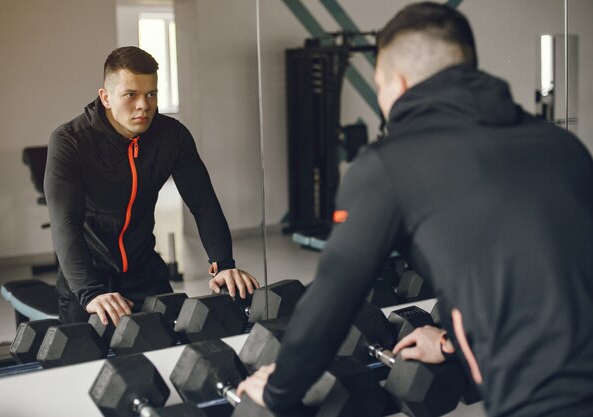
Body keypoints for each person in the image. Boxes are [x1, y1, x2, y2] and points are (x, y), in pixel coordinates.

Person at [237, 2, 593, 417]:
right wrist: (451, 343)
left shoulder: (390, 164)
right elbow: (544, 283)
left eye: (379, 87)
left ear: (397, 83)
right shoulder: (562, 147)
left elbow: (333, 300)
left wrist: (278, 389)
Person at [44, 46, 259, 326]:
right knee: (89, 363)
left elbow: (203, 202)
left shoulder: (172, 136)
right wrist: (90, 292)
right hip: (88, 277)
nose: (143, 105)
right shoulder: (71, 141)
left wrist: (224, 263)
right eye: (130, 95)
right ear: (105, 97)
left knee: (174, 347)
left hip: (145, 270)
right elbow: (65, 221)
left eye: (151, 94)